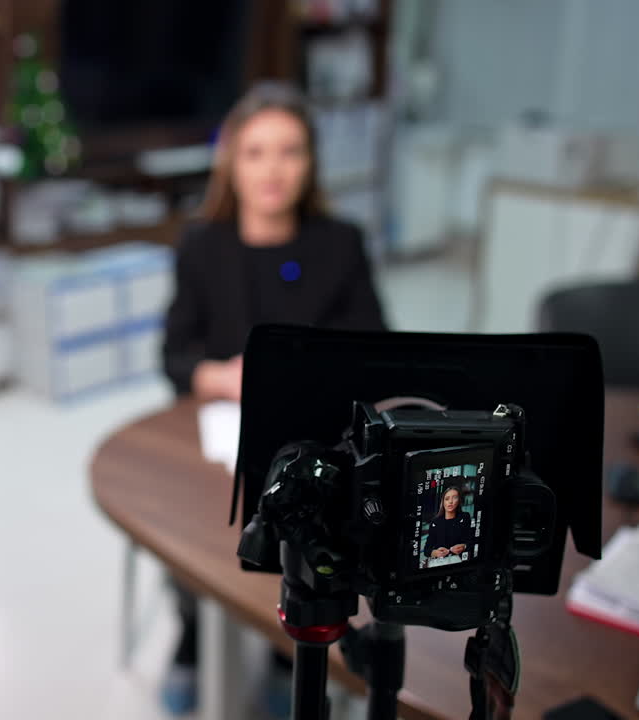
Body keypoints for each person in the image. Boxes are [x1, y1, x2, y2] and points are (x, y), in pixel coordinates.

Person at [159, 82, 387, 717]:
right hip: (224, 434)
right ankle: (192, 638)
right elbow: (174, 356)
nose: (273, 169)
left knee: (319, 525)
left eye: (290, 151)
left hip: (319, 435)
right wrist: (222, 378)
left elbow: (377, 349)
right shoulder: (202, 245)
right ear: (232, 160)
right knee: (192, 523)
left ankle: (293, 653)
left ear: (311, 162)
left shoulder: (340, 242)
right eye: (256, 152)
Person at [424, 485, 473, 562]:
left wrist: (464, 546)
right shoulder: (435, 522)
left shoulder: (465, 517)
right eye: (447, 499)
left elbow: (472, 541)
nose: (450, 502)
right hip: (439, 562)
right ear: (443, 502)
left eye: (455, 498)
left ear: (459, 500)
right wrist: (435, 553)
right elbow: (426, 550)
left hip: (460, 561)